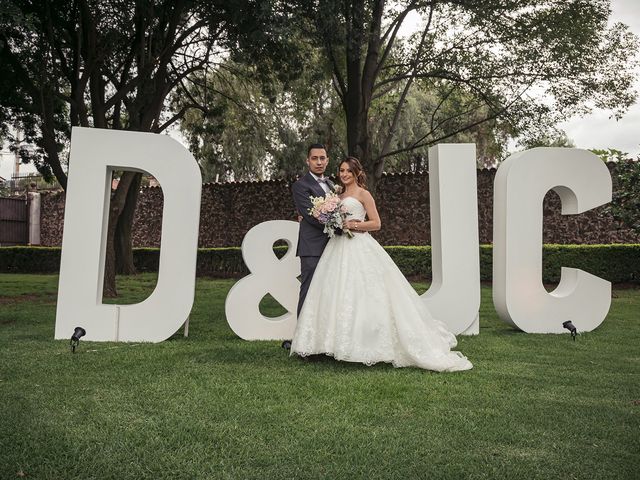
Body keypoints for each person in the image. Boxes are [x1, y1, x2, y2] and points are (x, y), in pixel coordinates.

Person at [290, 157, 472, 371]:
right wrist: (328, 219)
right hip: (337, 246)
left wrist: (353, 224)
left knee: (366, 294)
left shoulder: (363, 194)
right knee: (336, 292)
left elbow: (376, 223)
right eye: (341, 170)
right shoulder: (336, 194)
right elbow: (324, 217)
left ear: (357, 173)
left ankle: (369, 343)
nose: (344, 174)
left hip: (359, 244)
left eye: (349, 171)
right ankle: (333, 344)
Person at [291, 143, 336, 317]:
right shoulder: (300, 186)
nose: (319, 162)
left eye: (322, 158)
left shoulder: (331, 184)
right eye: (315, 158)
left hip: (333, 246)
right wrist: (339, 225)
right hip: (312, 248)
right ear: (307, 161)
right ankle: (301, 337)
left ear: (327, 160)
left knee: (330, 291)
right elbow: (310, 216)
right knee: (309, 290)